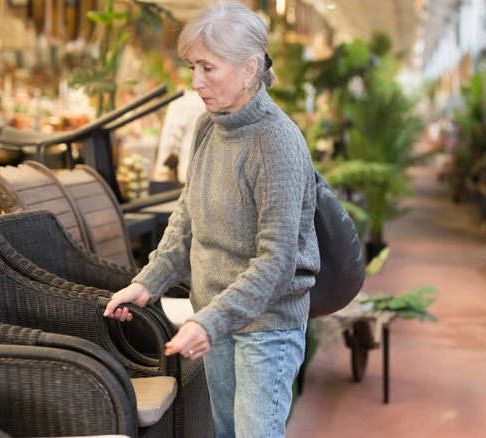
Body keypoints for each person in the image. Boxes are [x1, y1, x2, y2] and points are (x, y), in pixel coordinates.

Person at [103, 2, 320, 437]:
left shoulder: (276, 142)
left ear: (249, 69)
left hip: (267, 327)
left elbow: (277, 262)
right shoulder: (209, 125)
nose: (195, 81)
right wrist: (148, 283)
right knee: (222, 431)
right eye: (191, 66)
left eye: (207, 67)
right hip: (215, 314)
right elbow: (187, 219)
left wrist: (209, 322)